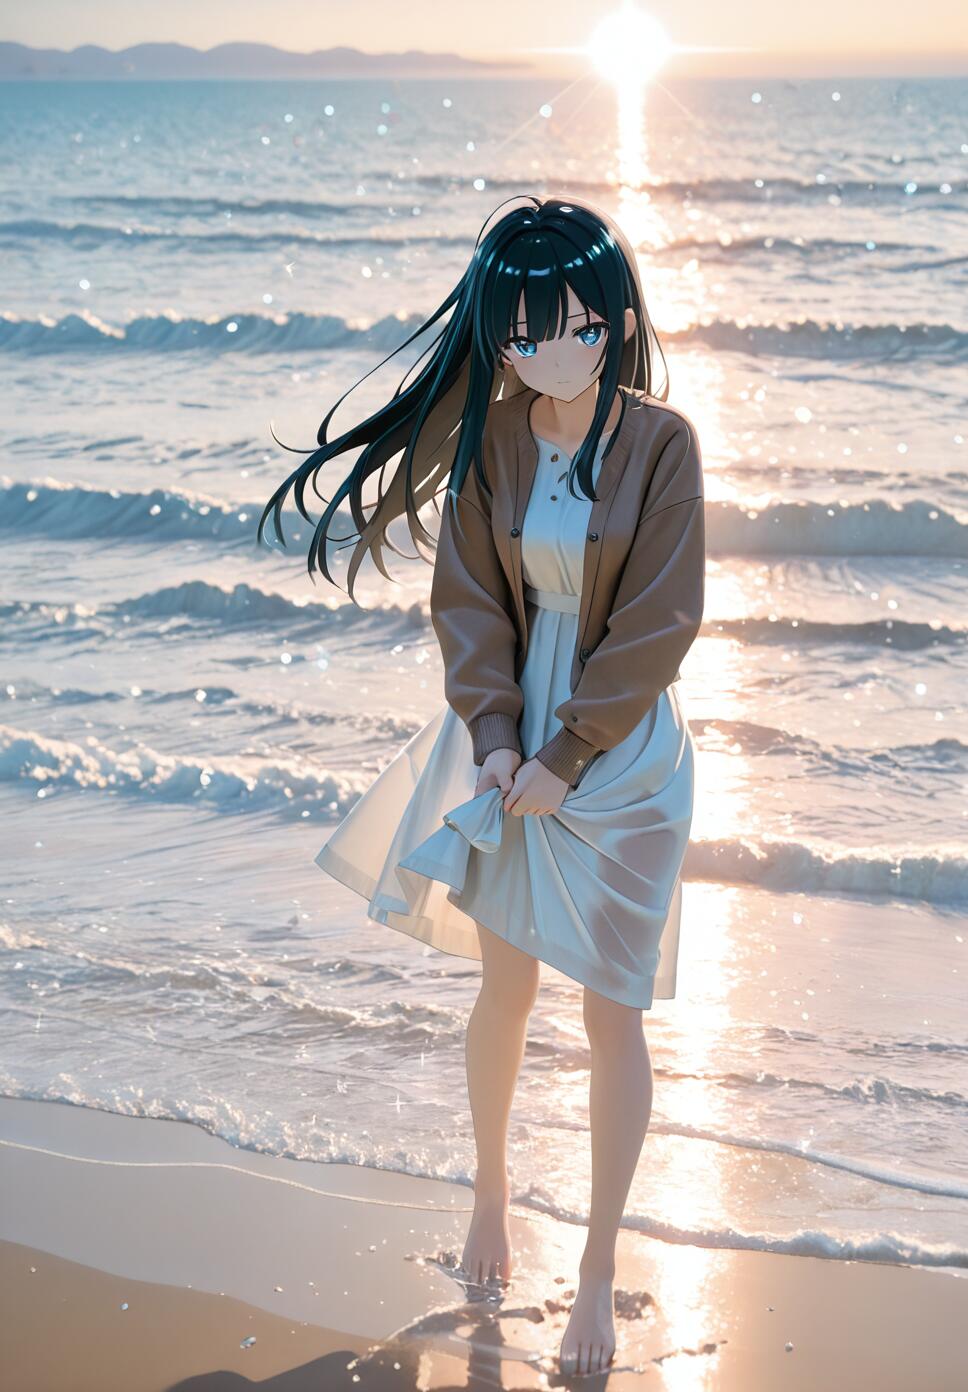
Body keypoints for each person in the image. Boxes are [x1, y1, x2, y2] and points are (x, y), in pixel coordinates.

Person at [259, 194, 705, 1376]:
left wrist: (567, 754)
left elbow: (662, 618)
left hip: (619, 759)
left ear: (605, 321)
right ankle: (491, 1200)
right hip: (510, 740)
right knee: (501, 991)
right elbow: (464, 597)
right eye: (512, 332)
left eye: (554, 326)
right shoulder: (497, 441)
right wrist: (499, 737)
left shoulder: (661, 442)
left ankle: (598, 1267)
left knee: (612, 1013)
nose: (532, 350)